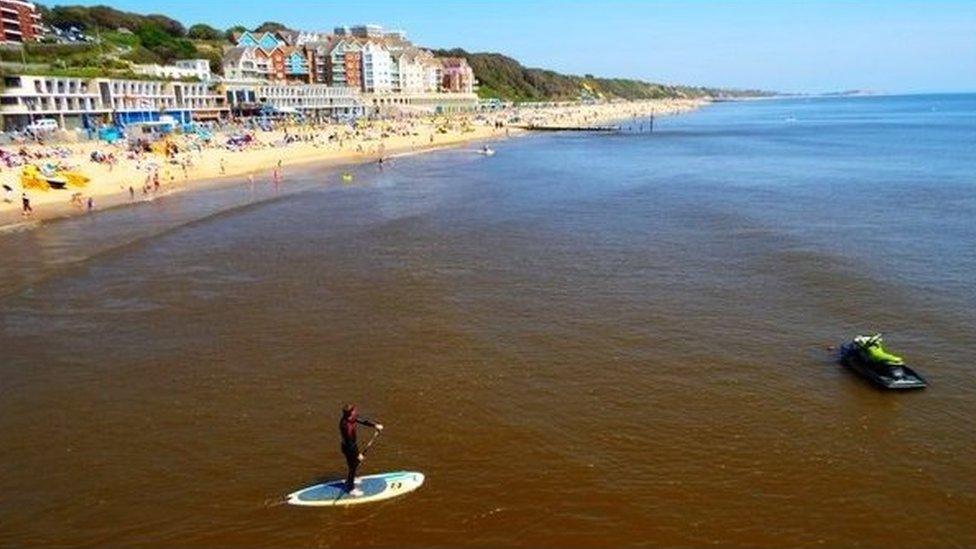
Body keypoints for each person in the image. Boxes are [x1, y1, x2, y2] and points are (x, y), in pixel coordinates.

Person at [339, 404, 383, 496]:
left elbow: (363, 420)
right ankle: (351, 489)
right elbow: (350, 444)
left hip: (351, 446)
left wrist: (375, 425)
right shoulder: (346, 426)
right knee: (353, 467)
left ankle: (351, 480)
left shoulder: (351, 418)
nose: (356, 411)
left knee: (354, 465)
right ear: (350, 413)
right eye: (354, 411)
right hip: (348, 449)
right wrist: (358, 454)